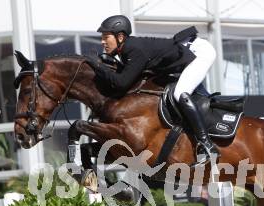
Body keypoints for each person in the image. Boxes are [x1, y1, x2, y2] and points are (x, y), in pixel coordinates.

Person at [87, 15, 219, 166]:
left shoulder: (133, 49)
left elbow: (122, 83)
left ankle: (207, 145)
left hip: (200, 52)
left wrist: (97, 65)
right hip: (186, 52)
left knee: (179, 92)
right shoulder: (126, 50)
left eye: (106, 37)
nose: (102, 41)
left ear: (121, 37)